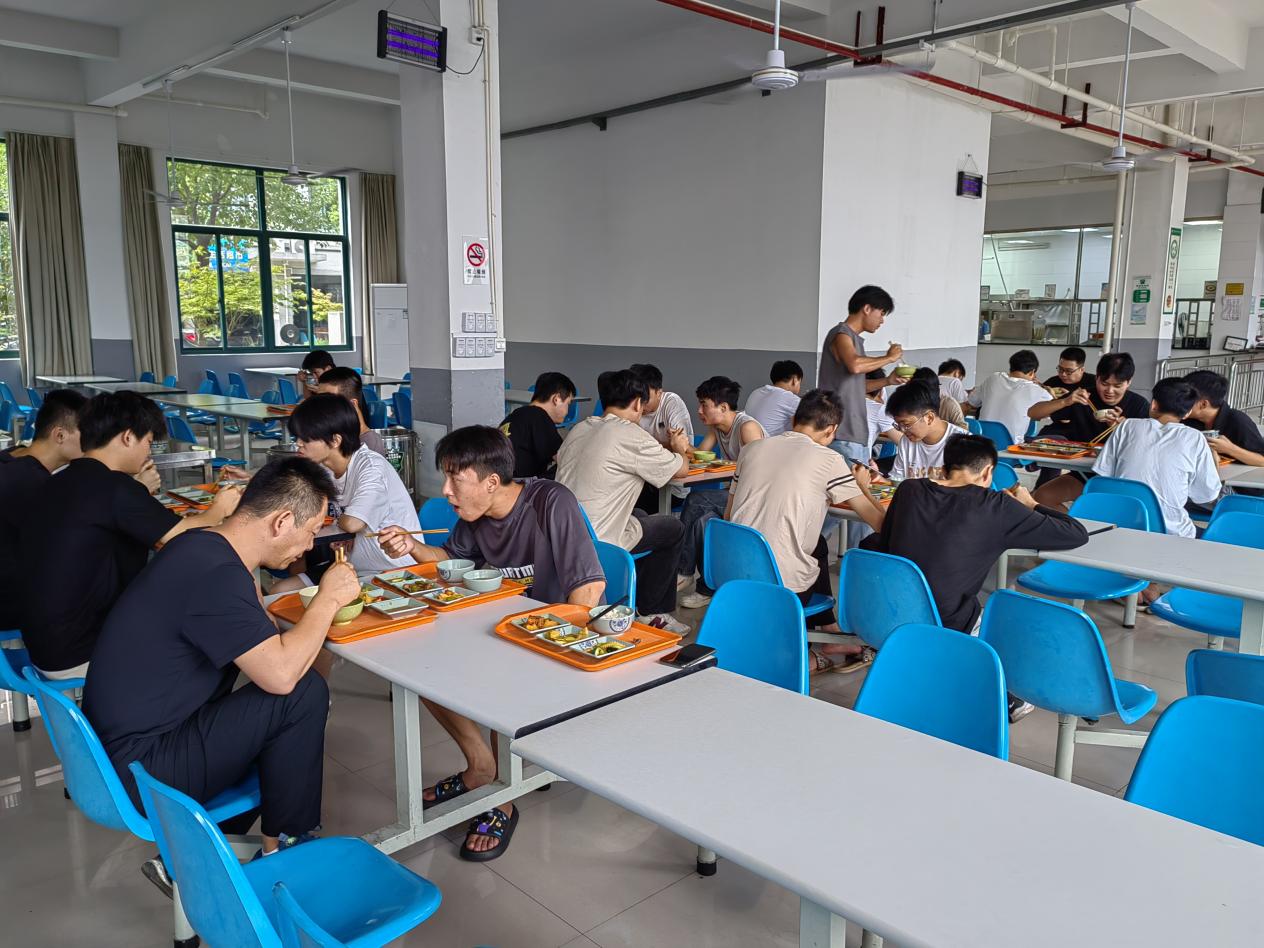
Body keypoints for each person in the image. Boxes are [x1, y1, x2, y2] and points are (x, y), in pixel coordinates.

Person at [83, 457, 356, 859]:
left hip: (117, 751)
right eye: (312, 532)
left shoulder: (201, 545)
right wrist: (328, 599)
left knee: (277, 719)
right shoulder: (216, 575)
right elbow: (280, 674)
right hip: (139, 771)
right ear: (281, 522)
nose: (308, 546)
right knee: (301, 693)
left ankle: (196, 856)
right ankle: (286, 850)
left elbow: (261, 630)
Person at [377, 426, 605, 862]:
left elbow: (589, 589)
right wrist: (411, 546)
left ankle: (502, 799)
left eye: (454, 479)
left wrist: (552, 644)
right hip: (500, 626)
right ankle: (483, 767)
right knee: (419, 668)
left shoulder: (550, 502)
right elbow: (450, 560)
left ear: (492, 482)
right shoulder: (475, 515)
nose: (446, 491)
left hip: (555, 637)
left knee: (496, 679)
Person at [863, 435, 1087, 719]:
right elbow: (1075, 534)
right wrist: (1031, 503)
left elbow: (886, 541)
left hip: (891, 608)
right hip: (947, 617)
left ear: (946, 466)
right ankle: (1005, 696)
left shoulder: (909, 489)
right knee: (1005, 617)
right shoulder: (996, 506)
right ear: (988, 471)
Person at [20, 392, 242, 679]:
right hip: (82, 652)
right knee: (218, 644)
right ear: (127, 437)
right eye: (148, 441)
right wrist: (219, 508)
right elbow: (184, 537)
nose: (149, 452)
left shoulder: (63, 478)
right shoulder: (114, 488)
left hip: (44, 644)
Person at [725, 389, 886, 670]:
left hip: (733, 571)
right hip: (781, 583)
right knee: (802, 553)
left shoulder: (751, 449)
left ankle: (830, 628)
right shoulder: (829, 460)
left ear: (793, 420)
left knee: (817, 545)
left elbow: (729, 515)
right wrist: (861, 486)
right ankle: (808, 652)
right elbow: (878, 522)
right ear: (832, 430)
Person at [555, 369, 691, 633]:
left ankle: (633, 592)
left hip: (565, 533)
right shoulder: (631, 435)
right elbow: (681, 470)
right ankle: (652, 612)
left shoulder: (580, 428)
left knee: (640, 514)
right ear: (638, 403)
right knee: (672, 528)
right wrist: (679, 447)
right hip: (599, 540)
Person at [287, 393, 420, 577]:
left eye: (306, 438)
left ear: (335, 440)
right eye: (297, 437)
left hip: (393, 571)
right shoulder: (323, 467)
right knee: (282, 589)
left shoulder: (371, 467)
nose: (298, 444)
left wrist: (335, 521)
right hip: (352, 567)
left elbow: (352, 523)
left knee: (294, 590)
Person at [0, 390, 87, 632]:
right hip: (11, 603)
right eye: (88, 434)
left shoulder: (11, 457)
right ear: (59, 435)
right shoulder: (34, 484)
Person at [1091, 377, 1222, 538]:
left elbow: (1104, 476)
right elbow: (1206, 495)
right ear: (1187, 413)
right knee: (1213, 537)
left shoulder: (1126, 426)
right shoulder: (1195, 438)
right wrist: (1215, 464)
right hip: (1171, 533)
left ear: (1153, 404)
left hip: (1121, 525)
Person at [676, 376, 765, 604]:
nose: (699, 410)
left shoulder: (747, 428)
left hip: (756, 497)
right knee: (702, 522)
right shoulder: (716, 428)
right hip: (736, 493)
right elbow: (700, 456)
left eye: (704, 404)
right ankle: (707, 589)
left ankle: (683, 571)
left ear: (723, 407)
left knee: (696, 499)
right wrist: (682, 446)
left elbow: (758, 474)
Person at [1031, 351, 1151, 506]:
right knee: (1042, 497)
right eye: (1104, 384)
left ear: (1129, 382)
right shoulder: (1084, 398)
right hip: (1085, 474)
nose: (1109, 391)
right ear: (1097, 378)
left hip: (1121, 478)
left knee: (1111, 509)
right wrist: (1065, 401)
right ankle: (1071, 522)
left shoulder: (1139, 406)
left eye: (1117, 386)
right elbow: (1033, 413)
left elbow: (1148, 448)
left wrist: (1124, 429)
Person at [817, 285, 905, 464]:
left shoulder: (853, 339)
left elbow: (856, 387)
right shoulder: (842, 334)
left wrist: (888, 380)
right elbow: (855, 365)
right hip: (842, 432)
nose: (882, 321)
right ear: (867, 308)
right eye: (881, 313)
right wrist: (889, 358)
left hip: (853, 434)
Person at [631, 363, 694, 511]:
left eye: (645, 399)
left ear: (659, 393)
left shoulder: (671, 403)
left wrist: (646, 446)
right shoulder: (631, 407)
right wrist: (666, 445)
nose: (640, 405)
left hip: (670, 487)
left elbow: (682, 447)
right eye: (636, 398)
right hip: (642, 479)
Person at [499, 371, 575, 478]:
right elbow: (564, 458)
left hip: (498, 480)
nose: (567, 411)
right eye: (568, 403)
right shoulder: (540, 416)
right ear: (556, 399)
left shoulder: (516, 414)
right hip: (518, 484)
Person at [966, 349, 1052, 444]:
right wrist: (1051, 393)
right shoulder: (1037, 390)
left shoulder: (993, 378)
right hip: (1012, 448)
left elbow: (972, 401)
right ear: (1032, 372)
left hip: (982, 444)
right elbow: (1056, 413)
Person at [1182, 369, 1264, 467]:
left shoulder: (1238, 420)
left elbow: (1262, 460)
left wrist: (1229, 449)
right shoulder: (1186, 419)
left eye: (1186, 399)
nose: (1180, 402)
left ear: (1203, 404)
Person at [886, 381, 962, 481]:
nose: (902, 431)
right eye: (898, 425)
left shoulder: (962, 444)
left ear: (929, 418)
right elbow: (897, 480)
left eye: (906, 424)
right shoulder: (906, 441)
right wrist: (883, 481)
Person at [315, 366, 386, 456]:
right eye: (318, 400)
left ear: (352, 405)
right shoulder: (337, 435)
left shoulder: (369, 447)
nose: (319, 407)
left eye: (328, 401)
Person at [744, 360, 803, 437]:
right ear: (794, 380)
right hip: (770, 443)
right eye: (800, 382)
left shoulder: (755, 392)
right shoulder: (791, 399)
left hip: (749, 442)